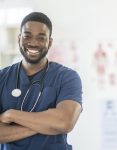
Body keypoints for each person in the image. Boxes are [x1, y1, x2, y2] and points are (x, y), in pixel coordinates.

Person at [0, 12, 82, 150]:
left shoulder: (67, 77)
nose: (33, 43)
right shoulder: (2, 77)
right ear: (19, 38)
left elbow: (65, 122)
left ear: (49, 42)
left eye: (41, 37)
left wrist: (11, 115)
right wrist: (49, 123)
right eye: (27, 36)